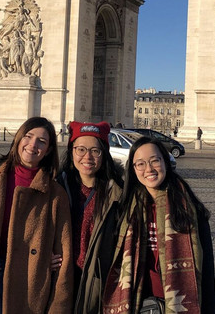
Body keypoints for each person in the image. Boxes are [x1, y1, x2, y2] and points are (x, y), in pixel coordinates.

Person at [0, 117, 74, 314]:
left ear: (49, 150)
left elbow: (63, 255)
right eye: (28, 136)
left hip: (27, 283)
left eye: (42, 141)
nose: (33, 145)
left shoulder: (56, 194)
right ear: (18, 139)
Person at [102, 137, 215, 314]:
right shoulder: (123, 210)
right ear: (133, 169)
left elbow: (207, 272)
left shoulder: (191, 210)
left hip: (178, 304)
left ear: (165, 161)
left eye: (155, 160)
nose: (148, 169)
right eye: (140, 164)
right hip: (136, 303)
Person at [57, 121, 124, 313]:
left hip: (99, 280)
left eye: (95, 151)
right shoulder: (56, 186)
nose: (88, 156)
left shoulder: (119, 192)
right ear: (71, 151)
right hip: (62, 277)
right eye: (81, 149)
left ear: (104, 154)